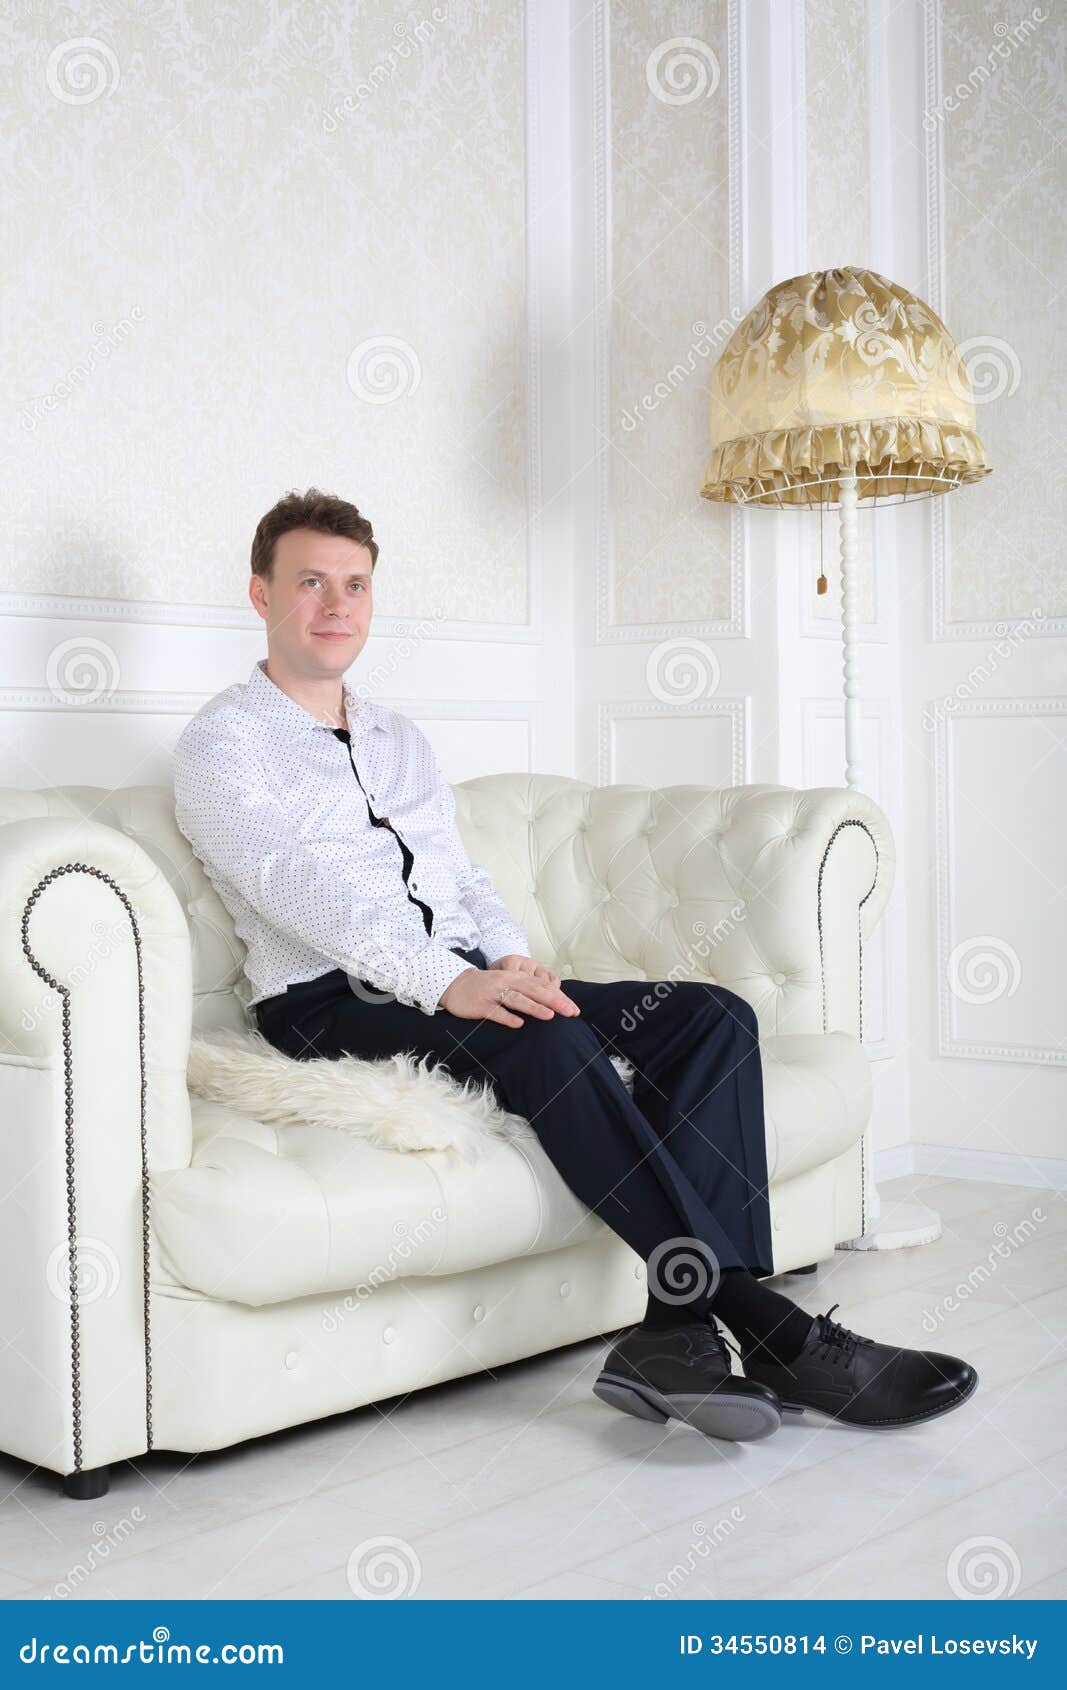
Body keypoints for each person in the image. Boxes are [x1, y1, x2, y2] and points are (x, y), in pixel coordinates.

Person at [171, 487, 978, 1446]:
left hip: (460, 972)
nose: (336, 604)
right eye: (311, 582)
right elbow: (303, 892)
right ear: (261, 596)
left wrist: (508, 957)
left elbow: (459, 874)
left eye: (354, 584)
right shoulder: (223, 745)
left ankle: (671, 1334)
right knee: (543, 1034)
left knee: (711, 1015)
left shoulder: (397, 737)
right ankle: (772, 1328)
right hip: (328, 999)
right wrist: (448, 982)